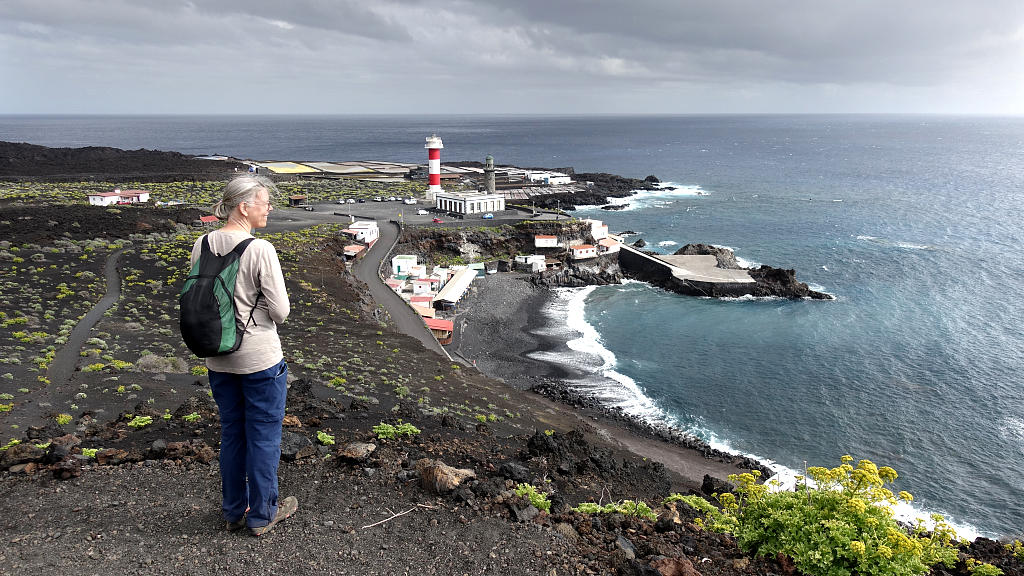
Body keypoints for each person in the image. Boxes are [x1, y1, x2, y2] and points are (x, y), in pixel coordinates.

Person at [191, 175, 296, 536]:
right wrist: (260, 309)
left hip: (217, 357)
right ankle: (263, 515)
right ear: (244, 206)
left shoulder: (202, 244)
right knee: (264, 437)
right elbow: (281, 311)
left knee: (232, 434)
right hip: (259, 360)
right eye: (264, 202)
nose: (269, 208)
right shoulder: (259, 249)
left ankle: (234, 509)